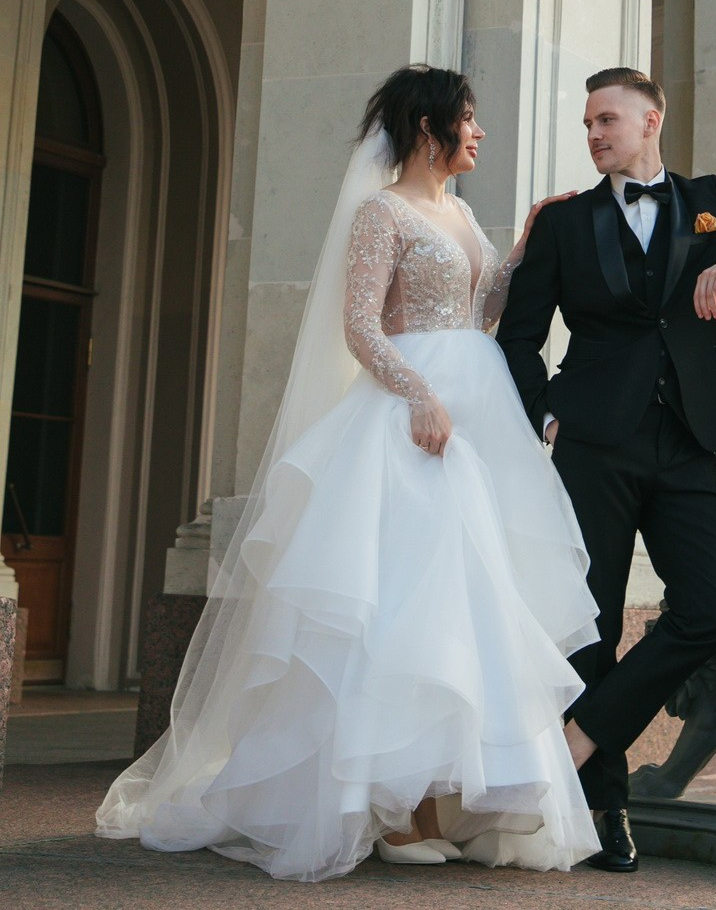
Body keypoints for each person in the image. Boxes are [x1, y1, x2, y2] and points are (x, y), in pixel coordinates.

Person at [97, 64, 600, 881]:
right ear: (429, 130)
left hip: (479, 412)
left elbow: (481, 309)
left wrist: (519, 248)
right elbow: (362, 326)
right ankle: (390, 814)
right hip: (412, 421)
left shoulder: (460, 211)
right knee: (402, 604)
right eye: (467, 121)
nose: (478, 134)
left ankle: (436, 803)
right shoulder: (381, 212)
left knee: (466, 606)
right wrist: (419, 396)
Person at [496, 67, 716, 873]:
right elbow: (518, 335)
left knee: (710, 612)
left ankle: (579, 739)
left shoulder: (707, 202)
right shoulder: (565, 224)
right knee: (593, 625)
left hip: (688, 441)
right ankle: (604, 812)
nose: (594, 134)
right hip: (593, 444)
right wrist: (545, 412)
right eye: (587, 124)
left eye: (607, 119)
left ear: (652, 121)